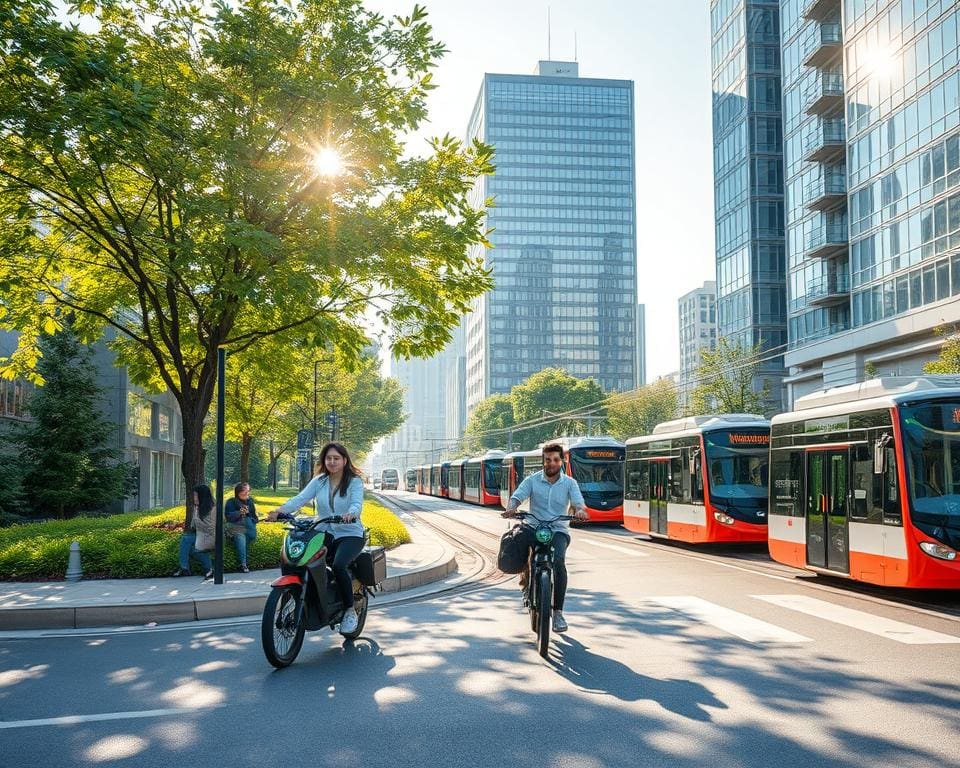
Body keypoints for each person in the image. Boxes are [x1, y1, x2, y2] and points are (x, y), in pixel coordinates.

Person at [266, 442, 365, 634]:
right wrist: (278, 511)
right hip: (325, 531)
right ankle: (313, 596)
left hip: (349, 533)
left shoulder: (354, 482)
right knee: (304, 558)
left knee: (338, 565)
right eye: (328, 458)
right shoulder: (319, 481)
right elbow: (300, 499)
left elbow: (356, 504)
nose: (332, 462)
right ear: (323, 460)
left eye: (336, 458)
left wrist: (351, 514)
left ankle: (349, 610)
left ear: (344, 460)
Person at [501, 443, 587, 633]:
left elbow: (578, 503)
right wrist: (511, 507)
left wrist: (580, 511)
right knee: (517, 544)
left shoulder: (570, 483)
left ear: (562, 461)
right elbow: (518, 496)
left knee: (558, 562)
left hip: (558, 530)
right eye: (547, 460)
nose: (551, 463)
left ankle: (557, 613)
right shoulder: (532, 480)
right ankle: (524, 583)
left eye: (555, 460)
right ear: (543, 461)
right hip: (533, 526)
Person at [173, 484, 215, 579]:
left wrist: (198, 522)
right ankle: (209, 569)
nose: (194, 497)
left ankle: (184, 568)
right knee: (192, 551)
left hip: (210, 536)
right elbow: (193, 525)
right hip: (201, 535)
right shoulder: (198, 507)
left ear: (202, 495)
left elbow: (211, 527)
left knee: (186, 539)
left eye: (195, 495)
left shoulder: (212, 509)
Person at [224, 482, 258, 573]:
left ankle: (243, 560)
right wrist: (240, 513)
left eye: (248, 491)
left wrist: (250, 517)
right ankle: (243, 564)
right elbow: (228, 517)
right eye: (245, 492)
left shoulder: (250, 501)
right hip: (236, 527)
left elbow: (255, 517)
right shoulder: (231, 502)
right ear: (238, 493)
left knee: (248, 537)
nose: (247, 494)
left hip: (249, 527)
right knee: (240, 539)